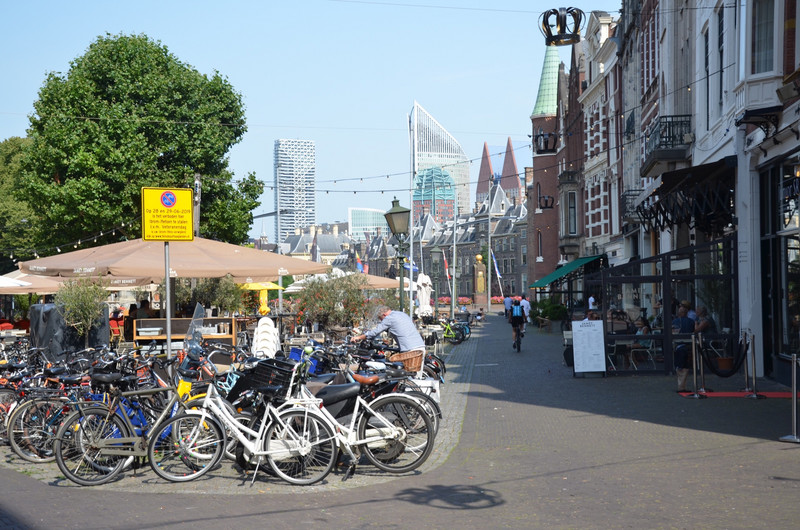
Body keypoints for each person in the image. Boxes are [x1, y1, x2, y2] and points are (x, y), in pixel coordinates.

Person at [352, 305, 425, 360]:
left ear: (384, 315)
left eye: (381, 319)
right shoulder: (401, 314)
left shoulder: (389, 318)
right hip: (420, 346)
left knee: (405, 375)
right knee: (417, 377)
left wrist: (359, 337)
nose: (381, 321)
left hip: (410, 350)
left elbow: (375, 332)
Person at [672, 306, 695, 391]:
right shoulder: (691, 321)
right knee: (684, 364)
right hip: (689, 345)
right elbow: (694, 331)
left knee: (680, 365)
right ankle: (681, 386)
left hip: (678, 345)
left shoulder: (674, 321)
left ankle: (681, 386)